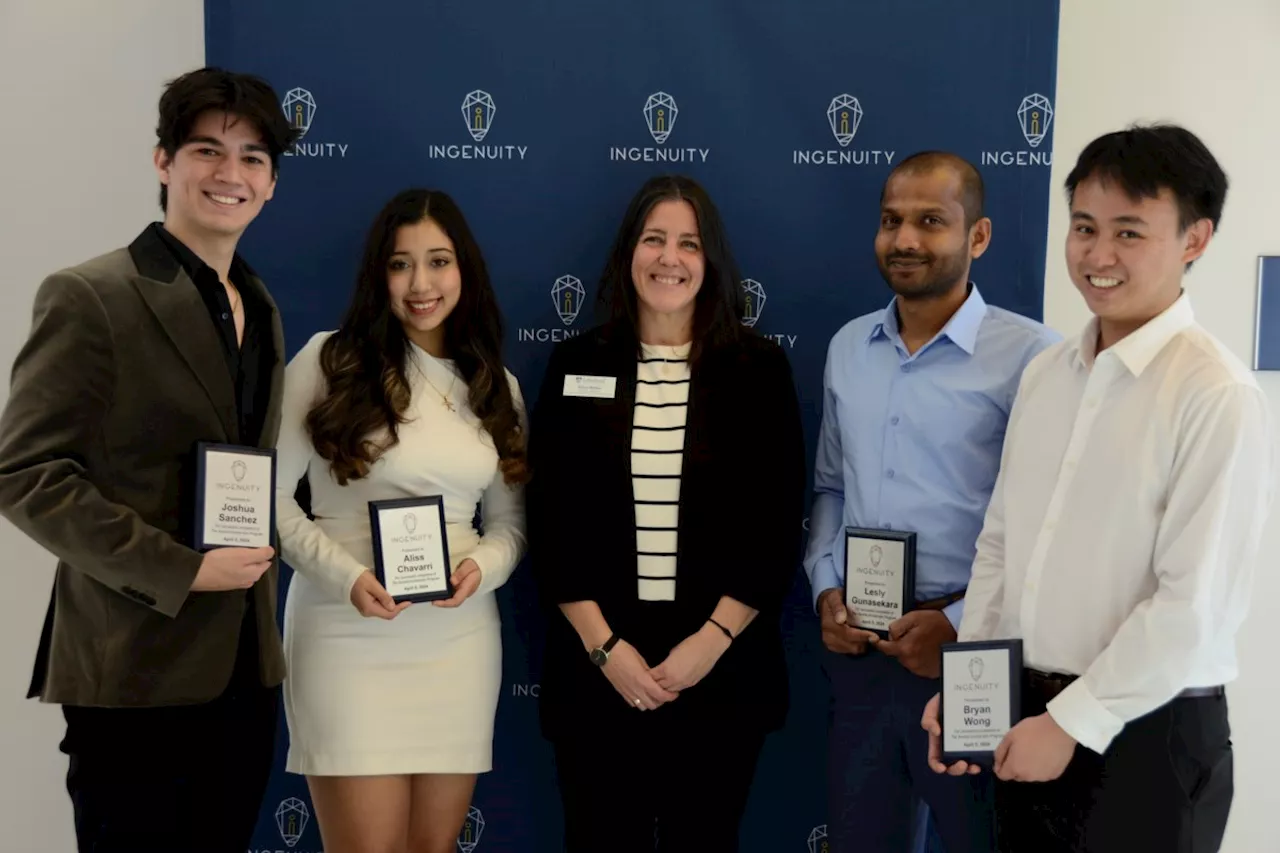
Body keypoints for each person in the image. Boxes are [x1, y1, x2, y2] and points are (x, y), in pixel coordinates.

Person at [922, 125, 1275, 853]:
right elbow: (1001, 544)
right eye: (1084, 227)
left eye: (1128, 232)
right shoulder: (1047, 374)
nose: (1097, 254)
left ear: (1195, 239)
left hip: (1148, 732)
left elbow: (1190, 607)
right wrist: (973, 695)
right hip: (1030, 717)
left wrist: (1072, 722)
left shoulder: (1217, 394)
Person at [0, 67, 296, 852]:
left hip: (243, 669)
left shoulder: (262, 306)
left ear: (270, 183)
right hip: (134, 673)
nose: (230, 174)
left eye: (253, 158)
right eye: (207, 149)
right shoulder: (91, 295)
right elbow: (25, 475)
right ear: (163, 160)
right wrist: (180, 567)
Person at [527, 174, 806, 852]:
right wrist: (606, 649)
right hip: (599, 674)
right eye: (654, 239)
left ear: (710, 260)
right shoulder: (576, 362)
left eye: (688, 243)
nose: (669, 258)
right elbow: (550, 520)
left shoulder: (757, 368)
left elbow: (776, 525)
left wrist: (707, 644)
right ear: (629, 252)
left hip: (719, 673)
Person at [803, 151, 1059, 853]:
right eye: (891, 221)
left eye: (930, 221)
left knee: (983, 840)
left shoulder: (1035, 356)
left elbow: (1048, 528)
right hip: (860, 649)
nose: (905, 240)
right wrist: (826, 589)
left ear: (977, 237)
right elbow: (831, 485)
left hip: (974, 653)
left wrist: (955, 621)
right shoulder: (850, 346)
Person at [275, 188, 528, 853]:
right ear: (377, 275)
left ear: (464, 270)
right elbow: (266, 500)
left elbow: (511, 523)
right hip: (346, 634)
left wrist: (481, 567)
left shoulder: (494, 384)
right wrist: (347, 575)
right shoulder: (329, 362)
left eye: (438, 261)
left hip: (457, 641)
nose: (421, 284)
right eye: (400, 264)